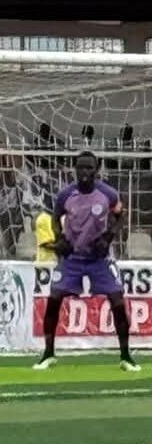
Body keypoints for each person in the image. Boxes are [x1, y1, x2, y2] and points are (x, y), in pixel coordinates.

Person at [35, 151, 139, 372]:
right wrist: (60, 237)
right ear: (75, 169)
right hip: (72, 257)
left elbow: (121, 216)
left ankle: (126, 356)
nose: (84, 172)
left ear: (96, 169)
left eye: (89, 168)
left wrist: (108, 237)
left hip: (99, 259)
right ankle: (48, 353)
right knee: (53, 299)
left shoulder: (108, 194)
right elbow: (55, 218)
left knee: (117, 301)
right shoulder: (66, 195)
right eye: (80, 167)